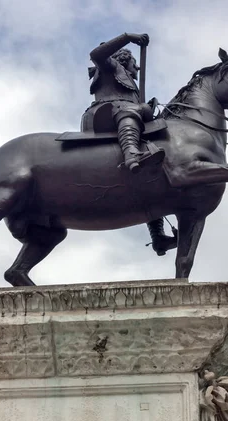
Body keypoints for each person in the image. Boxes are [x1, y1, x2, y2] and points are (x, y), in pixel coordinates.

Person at [85, 32, 177, 255]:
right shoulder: (110, 66)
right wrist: (128, 37)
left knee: (152, 185)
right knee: (130, 111)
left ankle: (158, 237)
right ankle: (131, 155)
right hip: (106, 114)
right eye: (134, 64)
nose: (137, 70)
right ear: (125, 61)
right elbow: (96, 54)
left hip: (128, 116)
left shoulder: (129, 85)